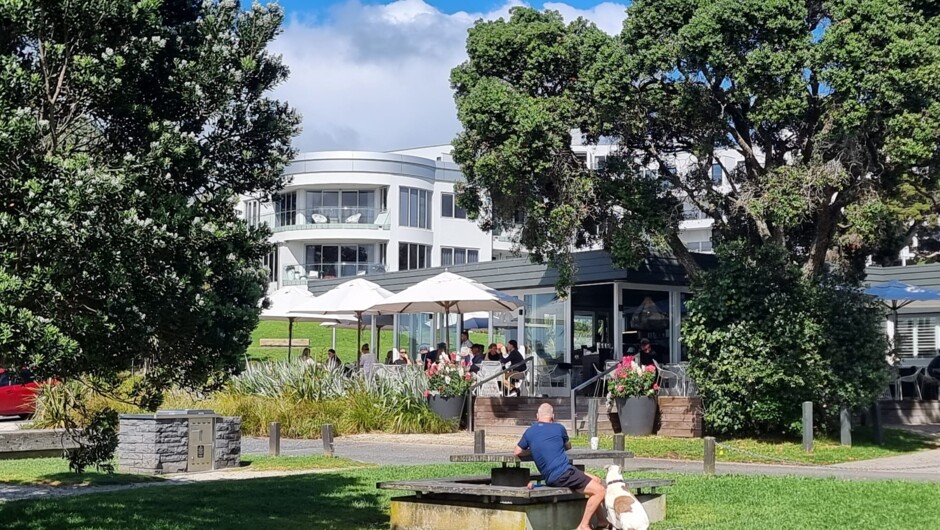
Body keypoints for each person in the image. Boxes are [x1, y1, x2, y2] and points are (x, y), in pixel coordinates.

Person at [514, 403, 606, 530]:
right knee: (600, 491)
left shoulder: (529, 431)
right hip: (564, 473)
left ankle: (602, 521)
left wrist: (533, 450)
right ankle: (583, 525)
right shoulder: (559, 428)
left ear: (537, 416)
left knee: (596, 480)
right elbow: (568, 446)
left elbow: (517, 451)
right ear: (553, 416)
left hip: (554, 477)